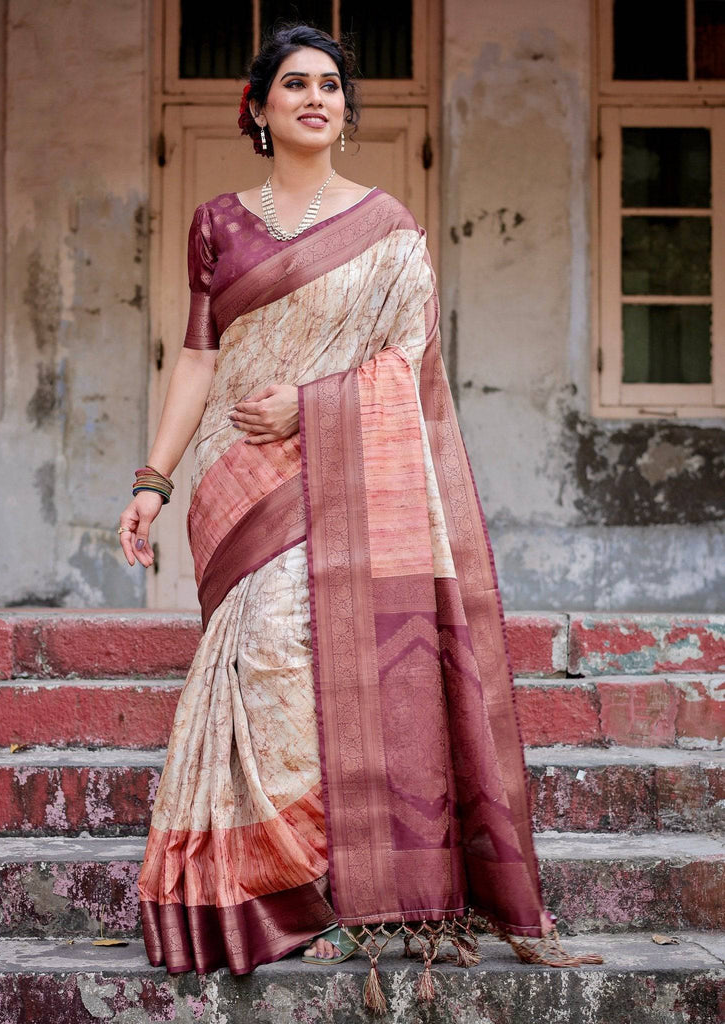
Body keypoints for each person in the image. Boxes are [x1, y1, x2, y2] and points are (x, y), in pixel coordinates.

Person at [120, 22, 602, 1012]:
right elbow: (200, 360)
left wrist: (311, 407)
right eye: (292, 84)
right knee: (255, 659)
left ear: (346, 109)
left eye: (331, 86)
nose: (314, 98)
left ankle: (329, 877)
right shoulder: (218, 221)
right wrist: (152, 479)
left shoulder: (389, 228)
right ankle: (267, 888)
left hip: (339, 466)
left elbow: (407, 370)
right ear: (257, 107)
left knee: (297, 640)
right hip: (238, 477)